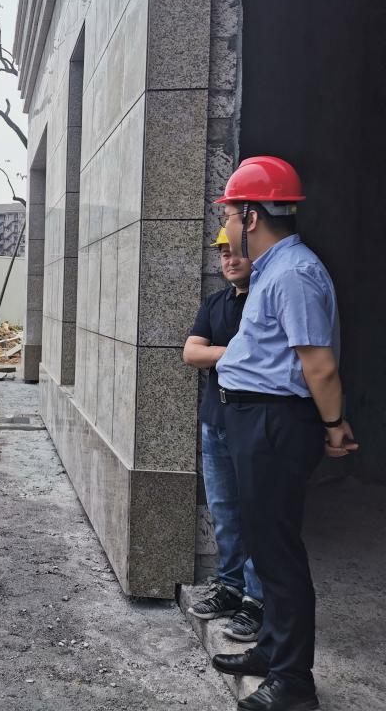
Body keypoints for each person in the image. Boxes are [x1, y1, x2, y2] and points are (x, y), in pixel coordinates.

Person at [209, 157, 357, 711]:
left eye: (229, 214)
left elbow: (318, 363)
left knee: (278, 551)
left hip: (275, 421)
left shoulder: (293, 272)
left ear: (251, 216)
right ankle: (273, 649)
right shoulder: (273, 268)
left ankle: (294, 681)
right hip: (256, 419)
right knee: (265, 545)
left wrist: (334, 426)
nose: (225, 225)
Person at [183, 228, 265, 642]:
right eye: (223, 253)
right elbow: (191, 352)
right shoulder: (214, 303)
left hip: (257, 422)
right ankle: (231, 587)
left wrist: (215, 353)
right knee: (224, 510)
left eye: (237, 252)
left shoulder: (266, 300)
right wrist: (235, 352)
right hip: (215, 420)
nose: (230, 260)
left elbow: (269, 356)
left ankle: (257, 599)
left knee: (258, 512)